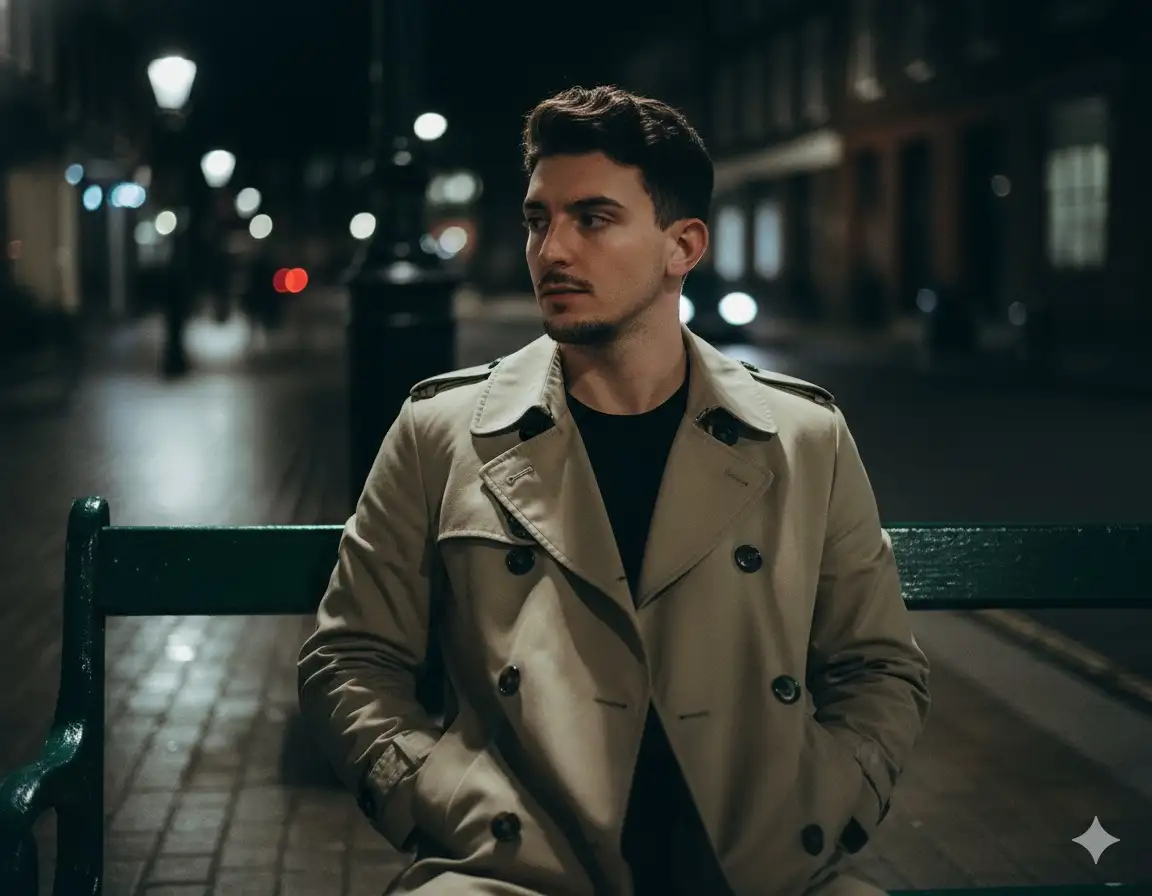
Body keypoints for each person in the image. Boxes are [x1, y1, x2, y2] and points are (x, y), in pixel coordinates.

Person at [298, 85, 931, 896]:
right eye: (538, 220)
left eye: (592, 219)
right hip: (515, 871)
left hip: (762, 870)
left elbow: (878, 667)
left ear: (683, 245)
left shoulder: (799, 438)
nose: (552, 251)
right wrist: (433, 797)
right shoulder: (444, 430)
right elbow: (349, 656)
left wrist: (827, 802)